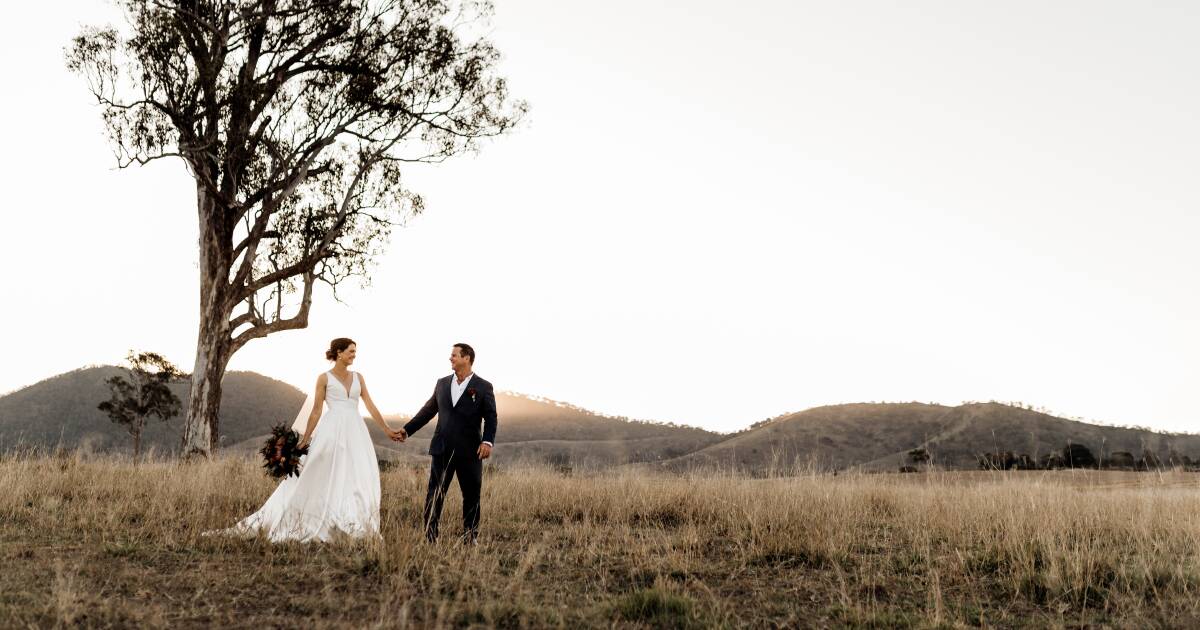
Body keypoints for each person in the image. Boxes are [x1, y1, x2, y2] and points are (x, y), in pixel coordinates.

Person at [216, 337, 403, 542]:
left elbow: (370, 405)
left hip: (356, 430)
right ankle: (314, 516)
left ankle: (352, 518)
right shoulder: (324, 378)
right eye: (351, 351)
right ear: (338, 353)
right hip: (332, 429)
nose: (354, 355)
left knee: (356, 473)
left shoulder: (359, 377)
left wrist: (386, 429)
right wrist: (305, 438)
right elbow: (316, 411)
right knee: (322, 470)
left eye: (355, 352)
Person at [394, 343, 498, 544]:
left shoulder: (484, 386)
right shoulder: (442, 383)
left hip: (470, 451)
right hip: (442, 448)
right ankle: (430, 536)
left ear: (466, 358)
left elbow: (491, 417)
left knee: (471, 495)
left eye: (454, 355)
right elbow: (428, 411)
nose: (450, 359)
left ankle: (470, 537)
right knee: (435, 493)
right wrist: (407, 430)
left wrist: (487, 441)